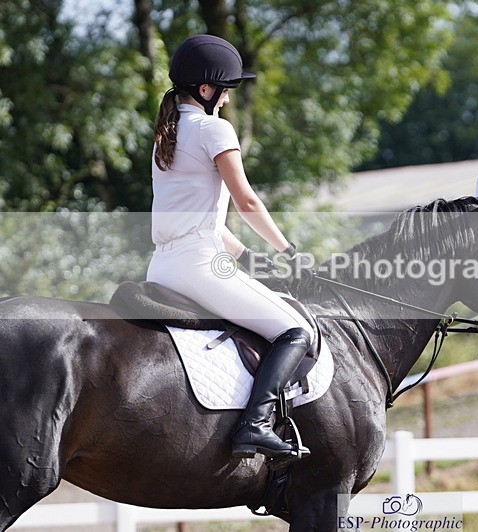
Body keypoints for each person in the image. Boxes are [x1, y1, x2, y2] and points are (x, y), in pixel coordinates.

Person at [146, 34, 314, 463]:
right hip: (199, 265)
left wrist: (252, 260)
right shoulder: (213, 128)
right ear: (205, 90)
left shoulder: (166, 135)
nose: (225, 101)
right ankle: (254, 425)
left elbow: (209, 223)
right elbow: (247, 201)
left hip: (163, 266)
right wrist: (288, 251)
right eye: (224, 92)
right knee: (296, 330)